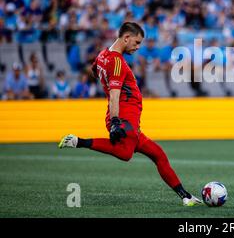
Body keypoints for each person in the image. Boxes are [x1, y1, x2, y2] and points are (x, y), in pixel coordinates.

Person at [58, 22, 202, 207]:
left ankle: (186, 196)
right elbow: (115, 94)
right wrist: (116, 121)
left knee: (158, 154)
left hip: (129, 118)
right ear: (126, 38)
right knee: (125, 154)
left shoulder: (103, 55)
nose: (138, 47)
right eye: (136, 42)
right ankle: (78, 141)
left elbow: (94, 71)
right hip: (124, 117)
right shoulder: (117, 61)